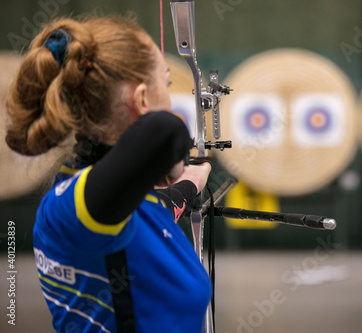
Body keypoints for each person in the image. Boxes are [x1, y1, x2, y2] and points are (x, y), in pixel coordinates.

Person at [4, 17, 212, 333]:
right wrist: (174, 158)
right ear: (142, 100)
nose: (169, 100)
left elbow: (157, 209)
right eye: (166, 84)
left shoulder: (115, 203)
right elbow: (164, 131)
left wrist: (190, 182)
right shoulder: (70, 208)